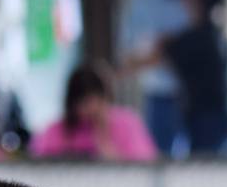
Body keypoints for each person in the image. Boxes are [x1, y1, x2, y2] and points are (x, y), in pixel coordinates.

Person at [127, 0, 227, 157]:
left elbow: (152, 58)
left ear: (197, 3)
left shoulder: (196, 40)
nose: (183, 3)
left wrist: (115, 73)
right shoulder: (215, 35)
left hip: (208, 122)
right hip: (220, 119)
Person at [119, 0, 191, 156]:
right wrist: (159, 52)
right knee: (161, 160)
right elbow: (128, 56)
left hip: (195, 96)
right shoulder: (143, 3)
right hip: (159, 96)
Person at [30, 63, 158, 161]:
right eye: (83, 103)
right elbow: (39, 162)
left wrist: (106, 142)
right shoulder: (57, 131)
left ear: (105, 97)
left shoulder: (128, 124)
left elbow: (145, 168)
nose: (89, 110)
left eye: (93, 101)